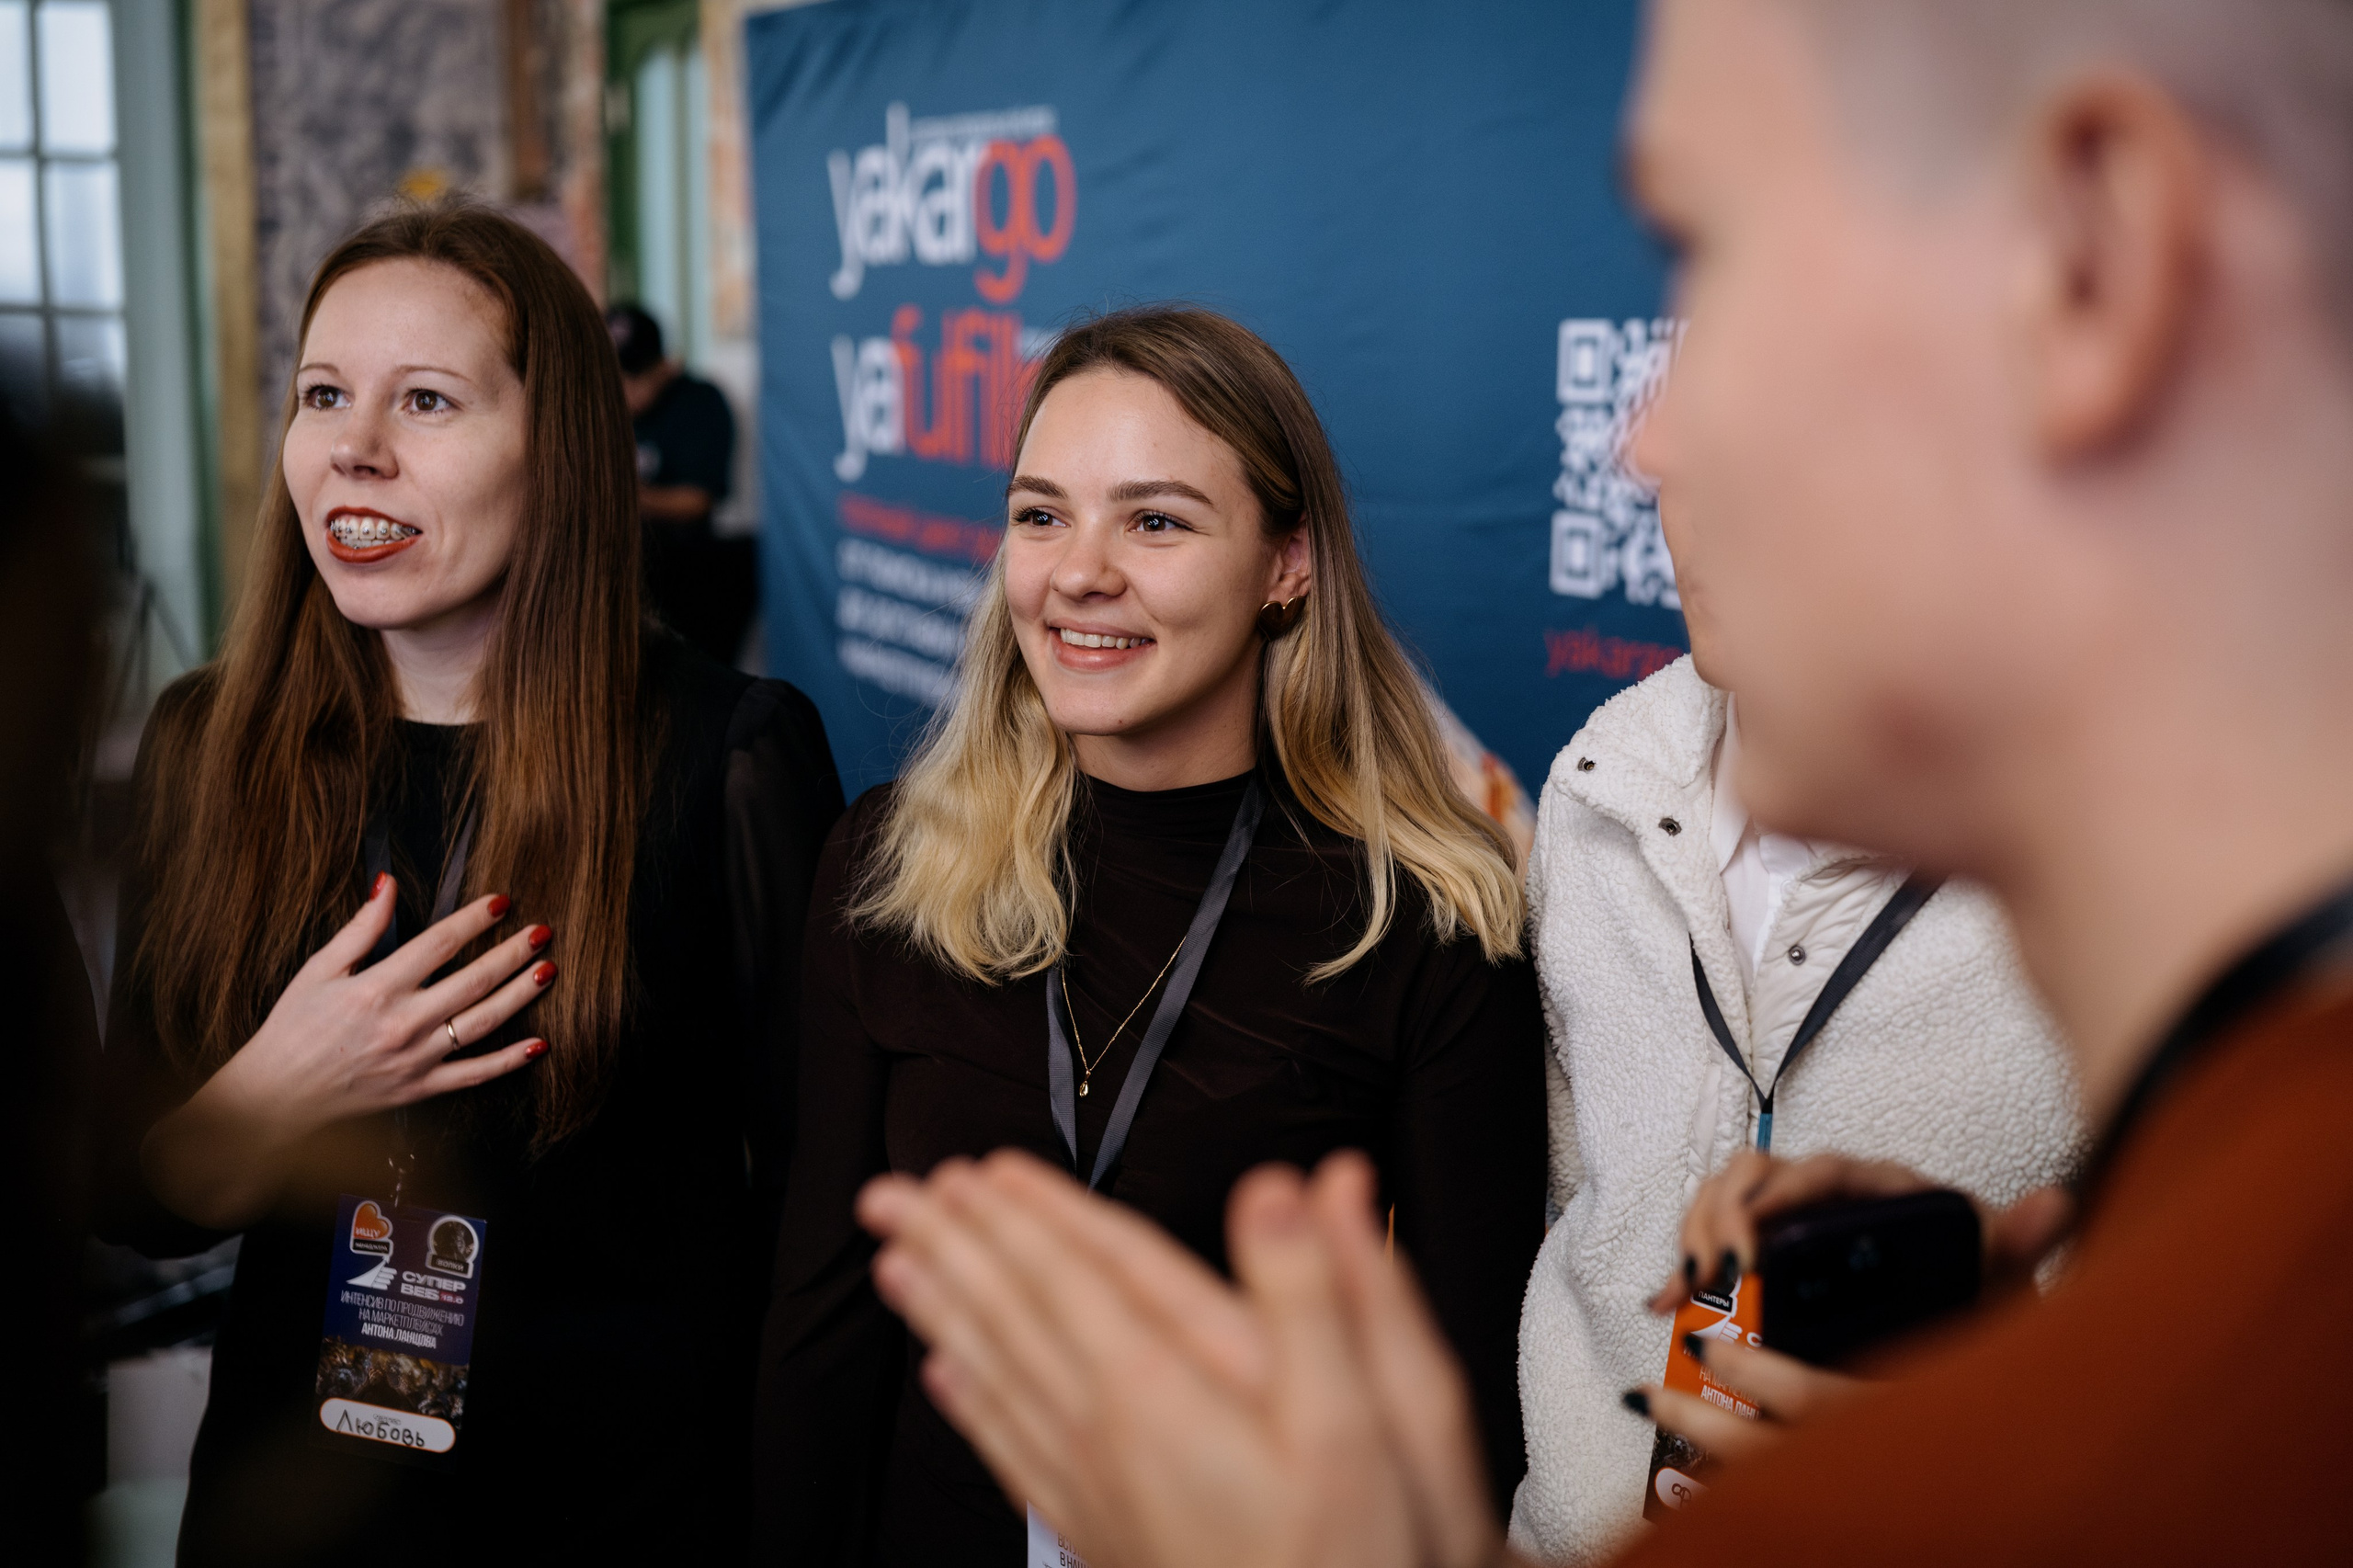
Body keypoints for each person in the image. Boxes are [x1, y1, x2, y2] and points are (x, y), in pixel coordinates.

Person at [848, 0, 2353, 1562]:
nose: (1649, 442)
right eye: (1043, 515)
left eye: (1715, 246)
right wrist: (2046, 1346)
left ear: (2090, 258)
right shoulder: (1602, 789)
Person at [92, 202, 843, 1565]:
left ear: (553, 454)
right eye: (324, 394)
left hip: (627, 1518)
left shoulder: (731, 758)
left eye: (425, 399)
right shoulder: (210, 747)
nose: (354, 448)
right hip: (291, 1510)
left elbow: (819, 1236)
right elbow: (140, 1203)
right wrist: (284, 1080)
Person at [755, 305, 1546, 1565]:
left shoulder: (1424, 920)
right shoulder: (891, 863)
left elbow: (1464, 1409)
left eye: (1157, 519)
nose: (1079, 571)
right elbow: (823, 1320)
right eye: (1040, 513)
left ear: (1287, 564)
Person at [1511, 581, 2078, 1555]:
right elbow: (1579, 1198)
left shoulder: (2109, 832)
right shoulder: (1601, 780)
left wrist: (2003, 1404)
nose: (1674, 471)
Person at [608, 301, 759, 666]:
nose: (623, 389)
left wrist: (618, 495)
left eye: (634, 376)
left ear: (665, 366)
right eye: (613, 375)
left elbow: (697, 501)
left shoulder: (699, 402)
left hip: (697, 571)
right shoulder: (600, 407)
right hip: (628, 569)